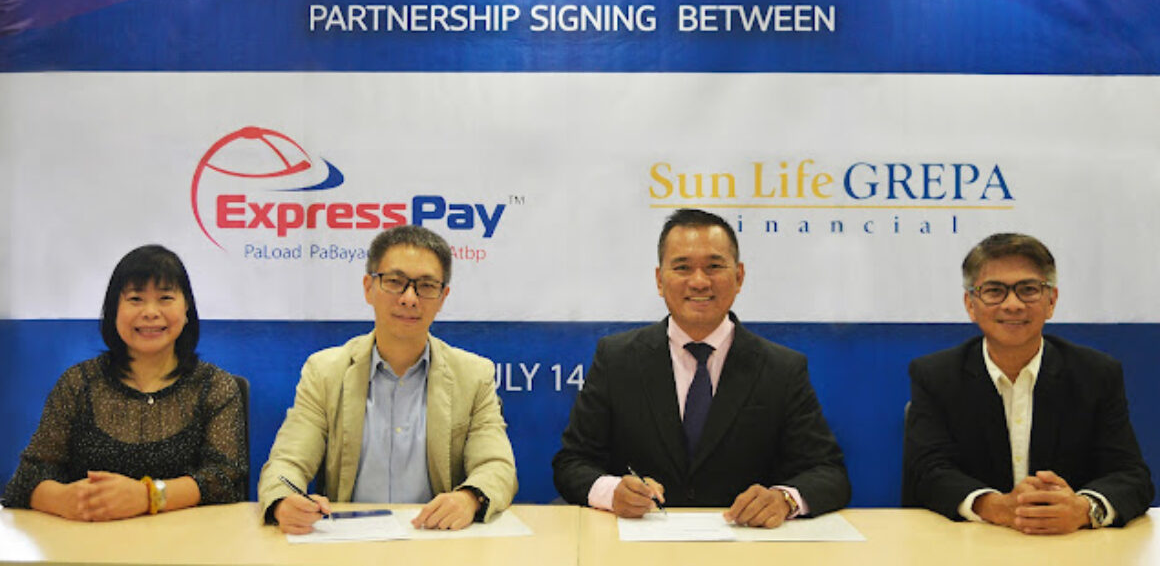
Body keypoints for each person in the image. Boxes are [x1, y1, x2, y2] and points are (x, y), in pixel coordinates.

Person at [552, 209, 850, 528]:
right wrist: (613, 493)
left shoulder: (782, 369)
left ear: (739, 276)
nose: (698, 281)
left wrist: (784, 500)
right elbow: (572, 463)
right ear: (659, 280)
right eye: (682, 267)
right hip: (640, 543)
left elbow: (829, 473)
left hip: (748, 544)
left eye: (714, 267)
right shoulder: (617, 359)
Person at [258, 226, 517, 534]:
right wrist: (284, 502)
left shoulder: (473, 375)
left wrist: (469, 498)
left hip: (437, 539)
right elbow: (287, 463)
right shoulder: (325, 372)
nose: (409, 298)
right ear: (369, 287)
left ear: (442, 297)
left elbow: (496, 466)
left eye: (426, 286)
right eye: (394, 282)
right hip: (348, 541)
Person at [903, 233, 1154, 533]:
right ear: (970, 304)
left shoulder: (1096, 374)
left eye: (1028, 290)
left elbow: (1130, 476)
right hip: (970, 544)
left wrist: (1084, 509)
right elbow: (927, 473)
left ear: (1051, 301)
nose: (1013, 304)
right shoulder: (936, 376)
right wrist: (996, 506)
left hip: (1067, 545)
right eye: (994, 291)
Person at [2, 245, 248, 520]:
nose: (151, 312)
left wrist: (148, 496)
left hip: (187, 541)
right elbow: (27, 479)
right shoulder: (79, 384)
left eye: (165, 298)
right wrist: (65, 499)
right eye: (135, 299)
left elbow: (226, 480)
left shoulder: (214, 386)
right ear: (114, 310)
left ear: (186, 307)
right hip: (88, 539)